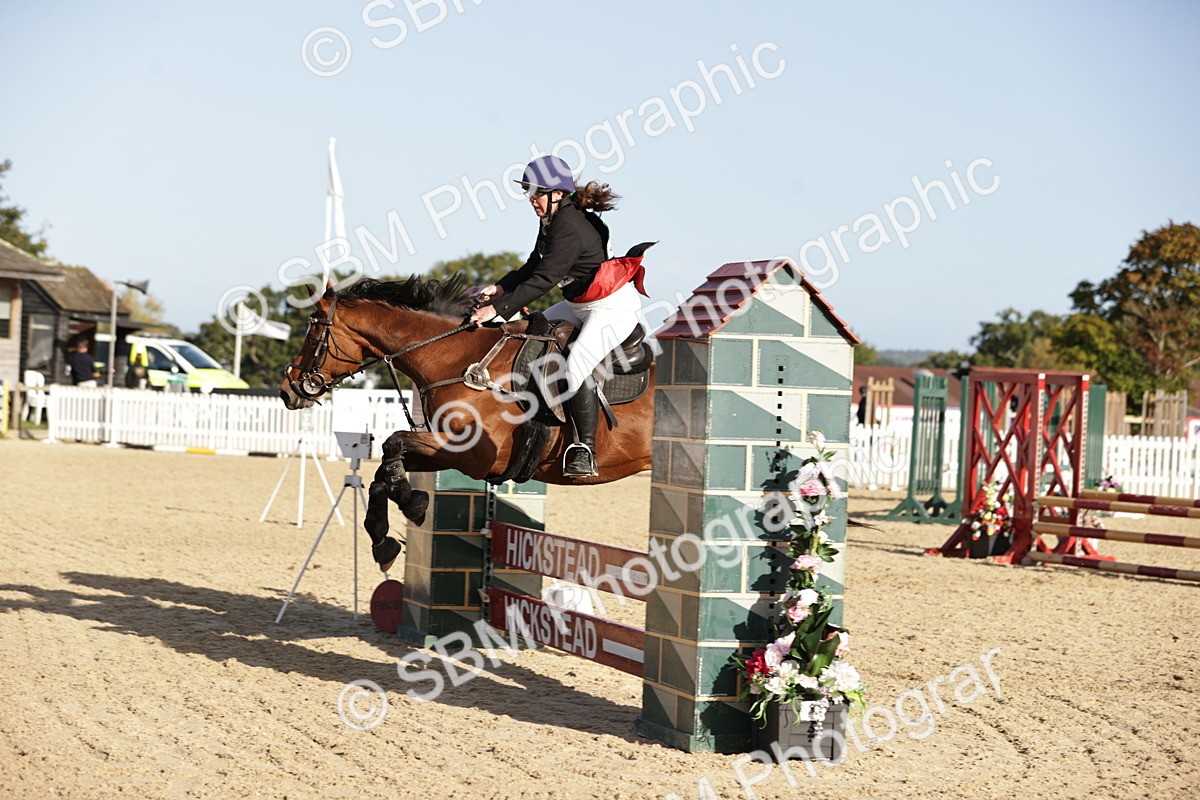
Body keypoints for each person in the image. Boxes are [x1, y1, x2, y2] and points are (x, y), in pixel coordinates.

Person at [469, 155, 644, 477]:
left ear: (557, 193)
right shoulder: (552, 218)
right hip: (579, 304)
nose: (531, 199)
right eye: (529, 192)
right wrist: (499, 288)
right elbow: (534, 264)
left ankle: (584, 449)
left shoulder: (569, 227)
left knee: (578, 363)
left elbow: (544, 279)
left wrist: (497, 309)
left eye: (536, 193)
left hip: (611, 308)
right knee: (529, 334)